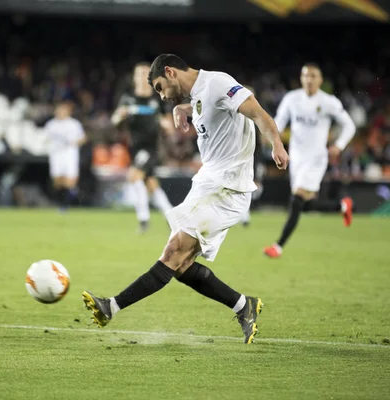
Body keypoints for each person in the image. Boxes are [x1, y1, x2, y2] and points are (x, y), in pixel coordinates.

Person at [82, 54, 289, 344]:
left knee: (173, 252)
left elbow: (257, 113)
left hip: (228, 188)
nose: (161, 95)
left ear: (171, 72)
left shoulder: (218, 83)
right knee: (179, 266)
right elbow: (207, 105)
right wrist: (184, 106)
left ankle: (111, 307)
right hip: (206, 183)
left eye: (160, 86)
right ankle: (244, 306)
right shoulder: (200, 94)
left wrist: (276, 144)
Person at [263, 64, 356, 258]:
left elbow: (349, 125)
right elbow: (279, 122)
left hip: (316, 159)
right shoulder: (292, 99)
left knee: (296, 200)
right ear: (301, 78)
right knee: (305, 205)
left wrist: (338, 145)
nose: (309, 79)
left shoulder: (328, 101)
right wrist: (272, 138)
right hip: (296, 158)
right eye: (305, 75)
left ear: (320, 80)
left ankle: (278, 246)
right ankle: (342, 206)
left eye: (313, 76)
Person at [112, 62, 173, 233]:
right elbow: (115, 120)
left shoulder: (158, 97)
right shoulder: (127, 98)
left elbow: (169, 123)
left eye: (146, 73)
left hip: (151, 147)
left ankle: (144, 219)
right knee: (151, 184)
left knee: (134, 176)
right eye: (138, 73)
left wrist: (165, 123)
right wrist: (119, 116)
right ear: (134, 77)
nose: (141, 77)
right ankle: (172, 216)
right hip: (134, 148)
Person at [44, 100, 86, 211]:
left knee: (70, 181)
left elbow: (83, 138)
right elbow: (45, 138)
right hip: (56, 154)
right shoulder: (51, 124)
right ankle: (61, 202)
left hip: (69, 154)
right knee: (57, 182)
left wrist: (75, 143)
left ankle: (65, 205)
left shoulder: (74, 124)